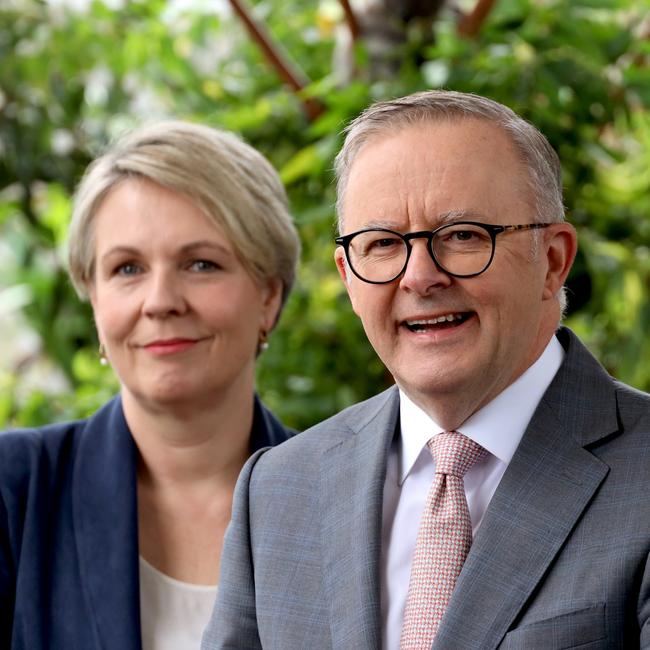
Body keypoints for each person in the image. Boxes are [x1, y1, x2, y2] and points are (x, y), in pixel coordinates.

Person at [202, 90, 650, 649]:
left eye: (462, 236)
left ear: (552, 261)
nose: (419, 277)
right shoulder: (278, 489)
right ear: (348, 275)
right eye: (384, 243)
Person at [0, 120, 300, 649]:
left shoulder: (348, 502)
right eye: (127, 269)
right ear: (94, 300)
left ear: (269, 297)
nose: (160, 300)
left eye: (201, 264)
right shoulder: (12, 492)